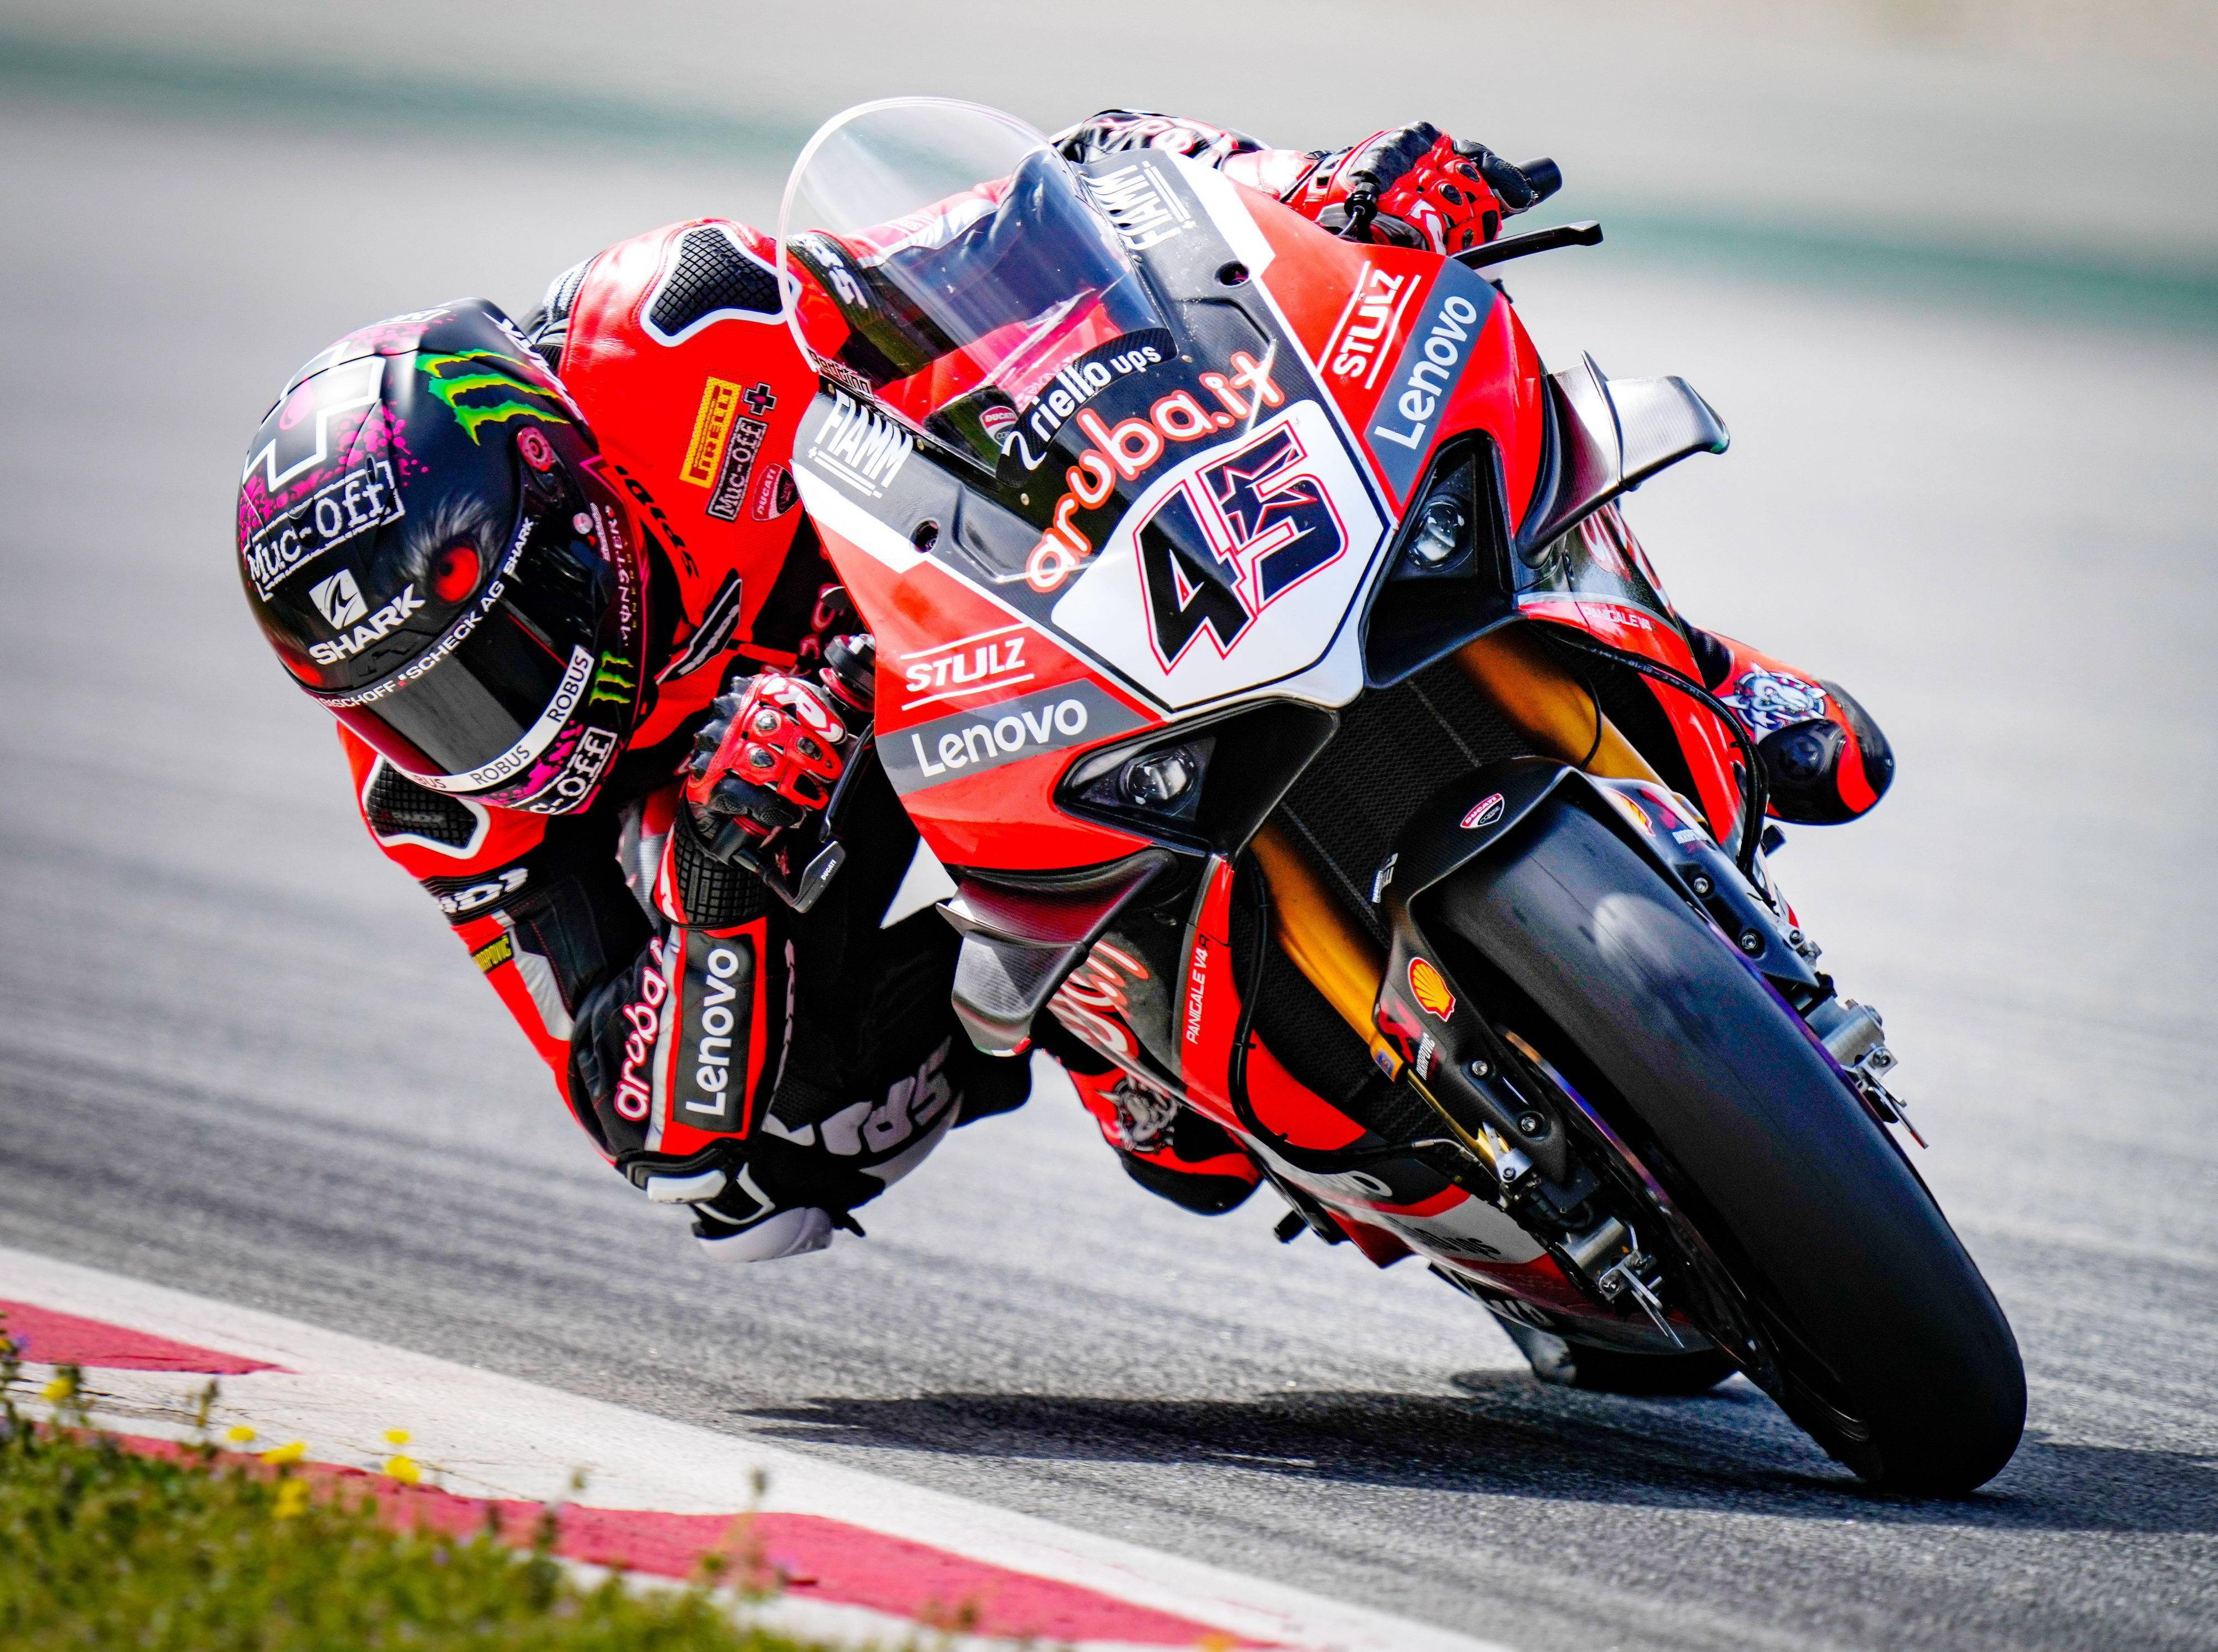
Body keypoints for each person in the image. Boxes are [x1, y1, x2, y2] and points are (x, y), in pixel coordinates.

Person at [232, 111, 1893, 1262]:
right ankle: (1123, 1022)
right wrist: (724, 876)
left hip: (982, 601)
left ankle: (1695, 673)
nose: (492, 716)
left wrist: (1317, 187)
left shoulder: (675, 331)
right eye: (424, 699)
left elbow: (1052, 205)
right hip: (819, 845)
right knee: (788, 1159)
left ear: (560, 492)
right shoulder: (443, 801)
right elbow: (651, 1129)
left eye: (505, 641)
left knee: (1397, 380)